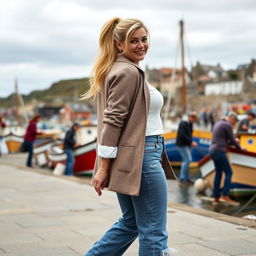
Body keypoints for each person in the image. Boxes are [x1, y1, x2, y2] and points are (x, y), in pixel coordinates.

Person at [81, 17, 177, 256]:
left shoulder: (122, 68)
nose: (141, 45)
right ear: (119, 44)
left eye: (144, 39)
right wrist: (103, 168)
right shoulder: (127, 72)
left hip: (134, 154)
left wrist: (107, 164)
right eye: (133, 41)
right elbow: (112, 121)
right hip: (142, 155)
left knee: (131, 222)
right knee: (154, 230)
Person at [209, 111, 242, 205]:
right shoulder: (227, 125)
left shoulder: (218, 123)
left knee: (218, 173)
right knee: (229, 172)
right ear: (232, 118)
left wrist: (232, 142)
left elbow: (224, 139)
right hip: (219, 151)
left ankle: (215, 197)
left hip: (212, 150)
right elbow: (231, 140)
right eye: (235, 121)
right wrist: (239, 147)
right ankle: (225, 195)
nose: (235, 123)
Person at [176, 111, 198, 184]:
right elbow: (182, 135)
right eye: (193, 119)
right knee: (187, 160)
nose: (194, 121)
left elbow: (190, 134)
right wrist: (191, 142)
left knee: (187, 160)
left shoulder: (190, 123)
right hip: (182, 144)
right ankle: (182, 178)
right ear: (190, 117)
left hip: (186, 145)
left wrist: (190, 144)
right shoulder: (183, 123)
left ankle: (186, 178)